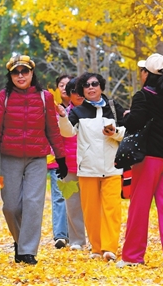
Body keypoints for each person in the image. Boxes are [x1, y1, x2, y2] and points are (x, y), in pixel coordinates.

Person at [0, 55, 67, 265]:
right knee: (11, 207)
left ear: (32, 73)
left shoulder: (44, 97)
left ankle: (27, 251)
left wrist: (61, 158)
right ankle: (20, 241)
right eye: (16, 72)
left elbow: (53, 129)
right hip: (9, 156)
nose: (20, 76)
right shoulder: (4, 97)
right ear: (10, 75)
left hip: (36, 157)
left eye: (24, 71)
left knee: (33, 204)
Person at [117, 53, 163, 267]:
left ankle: (132, 256)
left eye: (142, 70)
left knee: (139, 206)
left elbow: (134, 122)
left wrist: (126, 116)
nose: (141, 74)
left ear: (147, 74)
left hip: (149, 158)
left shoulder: (143, 96)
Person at [58, 72, 126, 262]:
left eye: (94, 84)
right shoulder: (78, 111)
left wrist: (114, 132)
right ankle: (96, 248)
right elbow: (68, 132)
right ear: (82, 90)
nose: (91, 87)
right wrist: (63, 117)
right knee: (91, 211)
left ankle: (109, 248)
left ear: (101, 86)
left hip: (112, 167)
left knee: (112, 209)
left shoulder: (113, 107)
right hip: (88, 168)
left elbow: (126, 130)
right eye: (86, 85)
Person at [55, 76, 87, 251]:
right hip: (70, 164)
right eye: (74, 91)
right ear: (69, 94)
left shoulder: (96, 112)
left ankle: (97, 239)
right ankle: (77, 240)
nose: (79, 94)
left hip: (91, 165)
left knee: (93, 204)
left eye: (81, 90)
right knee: (73, 205)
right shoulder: (64, 114)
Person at [47, 75, 71, 249]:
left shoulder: (79, 108)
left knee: (75, 197)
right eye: (61, 85)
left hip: (75, 159)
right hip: (54, 158)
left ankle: (75, 234)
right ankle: (61, 235)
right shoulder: (51, 108)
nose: (64, 88)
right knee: (59, 197)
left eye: (67, 85)